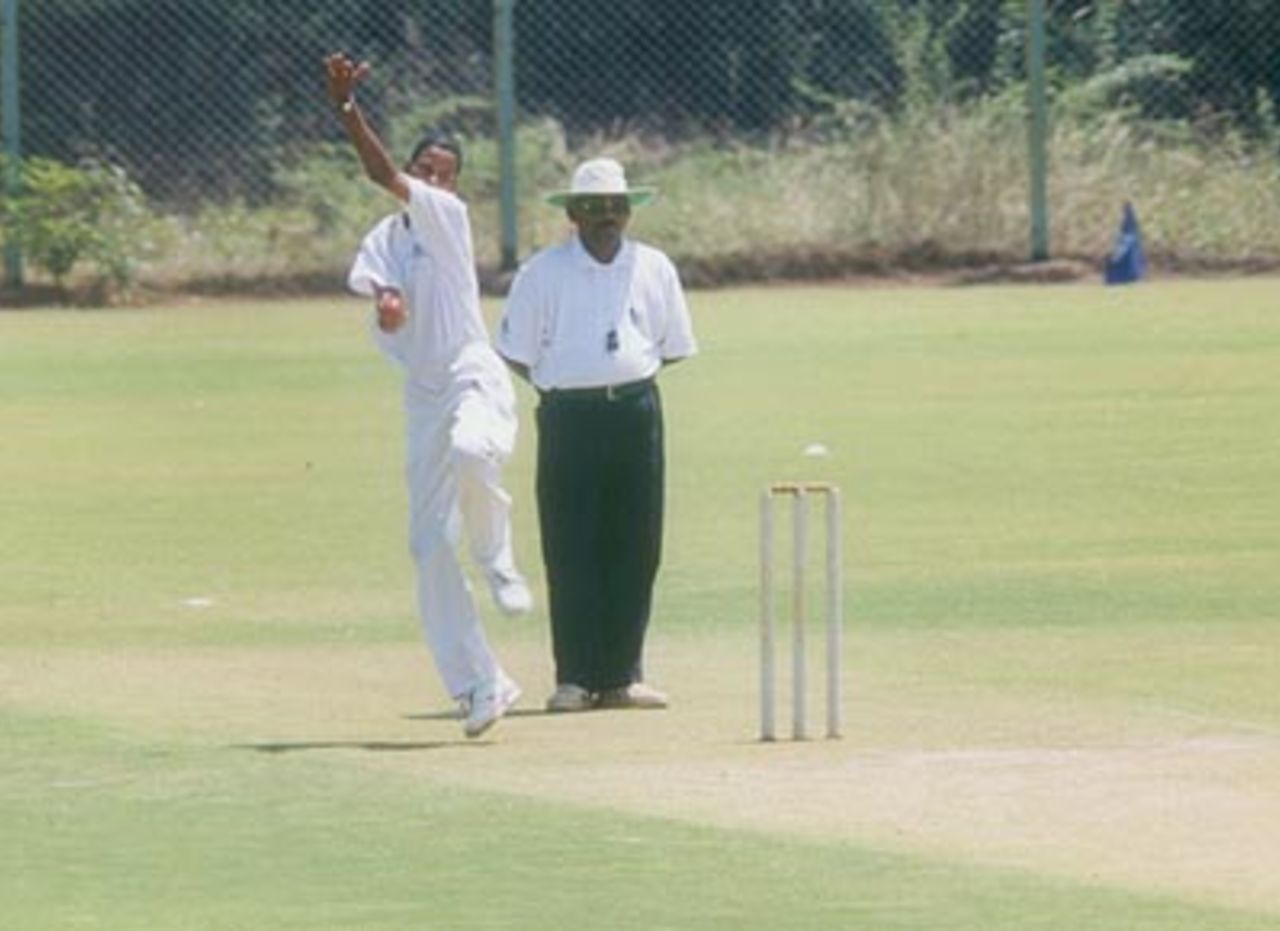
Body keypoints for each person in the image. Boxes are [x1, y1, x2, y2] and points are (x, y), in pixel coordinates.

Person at [324, 52, 531, 738]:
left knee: (476, 449)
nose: (435, 179)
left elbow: (378, 172)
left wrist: (347, 109)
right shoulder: (385, 236)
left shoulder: (446, 214)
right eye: (426, 169)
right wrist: (386, 302)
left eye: (446, 173)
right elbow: (382, 285)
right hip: (423, 393)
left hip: (474, 371)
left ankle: (499, 557)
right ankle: (482, 682)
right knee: (426, 547)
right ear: (416, 169)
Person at [496, 157, 697, 713]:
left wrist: (619, 380)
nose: (607, 217)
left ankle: (623, 676)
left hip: (635, 411)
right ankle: (574, 678)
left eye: (616, 206)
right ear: (574, 215)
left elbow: (670, 346)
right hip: (568, 416)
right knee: (571, 544)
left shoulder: (653, 267)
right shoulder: (543, 272)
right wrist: (568, 385)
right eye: (594, 207)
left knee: (636, 543)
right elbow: (515, 353)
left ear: (629, 211)